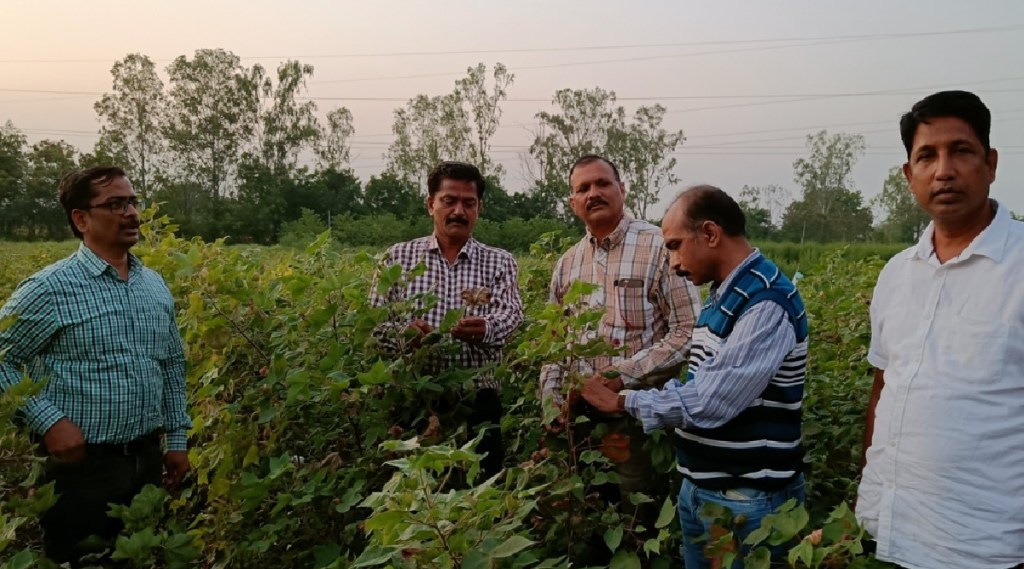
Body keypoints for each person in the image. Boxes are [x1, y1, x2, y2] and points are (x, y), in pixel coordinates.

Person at [582, 185, 808, 569]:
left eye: (673, 245)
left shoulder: (765, 301)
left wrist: (624, 400)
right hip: (711, 488)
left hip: (747, 498)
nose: (672, 262)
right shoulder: (726, 293)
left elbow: (710, 400)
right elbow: (700, 382)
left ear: (710, 233)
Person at [855, 90, 1024, 569]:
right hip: (892, 535)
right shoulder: (896, 274)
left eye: (961, 151)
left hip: (988, 548)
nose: (944, 170)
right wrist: (865, 507)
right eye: (926, 156)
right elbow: (884, 389)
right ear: (909, 176)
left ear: (990, 163)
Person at [0, 166, 192, 565]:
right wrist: (49, 422)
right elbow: (3, 358)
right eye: (115, 204)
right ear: (81, 219)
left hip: (145, 459)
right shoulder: (49, 289)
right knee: (81, 559)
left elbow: (171, 364)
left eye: (133, 202)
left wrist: (176, 440)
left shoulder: (153, 285)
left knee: (139, 556)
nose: (132, 213)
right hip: (80, 468)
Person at [539, 155, 701, 539]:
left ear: (622, 190)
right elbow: (555, 343)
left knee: (636, 525)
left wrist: (620, 377)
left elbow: (689, 331)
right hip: (577, 422)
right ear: (572, 202)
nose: (593, 193)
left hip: (637, 418)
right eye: (583, 189)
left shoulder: (658, 247)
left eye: (602, 184)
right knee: (583, 521)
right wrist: (549, 401)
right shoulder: (567, 264)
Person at [369, 161, 523, 477]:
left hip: (478, 399)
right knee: (414, 495)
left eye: (468, 203)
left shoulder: (499, 261)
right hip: (414, 398)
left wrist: (487, 328)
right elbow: (374, 324)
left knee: (481, 495)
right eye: (448, 201)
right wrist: (404, 334)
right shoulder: (398, 258)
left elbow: (511, 315)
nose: (458, 212)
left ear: (479, 208)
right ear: (431, 205)